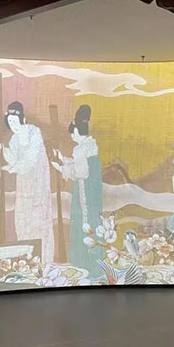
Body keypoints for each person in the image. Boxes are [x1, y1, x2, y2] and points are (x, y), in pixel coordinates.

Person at [51, 105, 104, 277]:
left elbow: (80, 172)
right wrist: (62, 159)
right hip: (93, 191)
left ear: (76, 131)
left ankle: (84, 265)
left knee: (83, 222)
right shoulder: (91, 145)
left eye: (72, 133)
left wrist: (61, 168)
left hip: (84, 191)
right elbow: (80, 165)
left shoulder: (80, 149)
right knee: (93, 221)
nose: (71, 136)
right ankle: (94, 265)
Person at [0, 101, 54, 263]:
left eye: (15, 122)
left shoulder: (34, 132)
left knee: (38, 220)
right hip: (24, 184)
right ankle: (28, 259)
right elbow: (14, 158)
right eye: (10, 122)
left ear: (22, 119)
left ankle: (44, 260)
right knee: (23, 219)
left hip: (38, 184)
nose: (13, 126)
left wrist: (13, 168)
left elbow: (31, 158)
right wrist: (4, 151)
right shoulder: (15, 138)